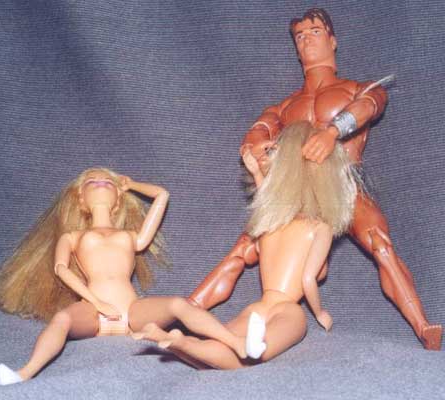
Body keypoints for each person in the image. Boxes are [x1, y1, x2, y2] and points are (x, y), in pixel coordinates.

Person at [188, 8, 442, 350]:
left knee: (379, 242)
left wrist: (333, 132)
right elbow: (258, 131)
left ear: (332, 41)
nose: (307, 39)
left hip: (344, 184)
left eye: (315, 31)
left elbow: (372, 103)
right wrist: (257, 148)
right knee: (245, 246)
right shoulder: (285, 106)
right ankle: (188, 312)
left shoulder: (358, 89)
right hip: (297, 190)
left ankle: (423, 325)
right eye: (300, 35)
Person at [136, 122, 359, 369]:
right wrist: (320, 313)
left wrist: (256, 172)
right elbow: (308, 280)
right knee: (251, 356)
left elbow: (266, 200)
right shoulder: (319, 228)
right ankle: (184, 344)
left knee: (221, 347)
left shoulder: (270, 223)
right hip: (288, 309)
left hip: (259, 306)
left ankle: (181, 343)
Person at [0, 168, 246, 385]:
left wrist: (131, 185)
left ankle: (236, 344)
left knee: (179, 304)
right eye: (92, 181)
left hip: (132, 313)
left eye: (108, 182)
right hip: (93, 313)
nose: (101, 183)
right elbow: (61, 269)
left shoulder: (131, 236)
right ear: (80, 198)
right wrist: (96, 302)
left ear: (118, 199)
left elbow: (162, 195)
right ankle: (24, 373)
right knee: (62, 319)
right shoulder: (72, 237)